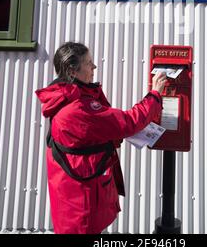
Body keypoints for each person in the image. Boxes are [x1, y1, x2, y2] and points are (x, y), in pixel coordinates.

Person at [35, 42, 166, 234]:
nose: (94, 67)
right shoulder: (78, 109)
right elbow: (128, 122)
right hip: (82, 204)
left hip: (74, 194)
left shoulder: (63, 95)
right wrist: (154, 95)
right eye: (89, 63)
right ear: (73, 71)